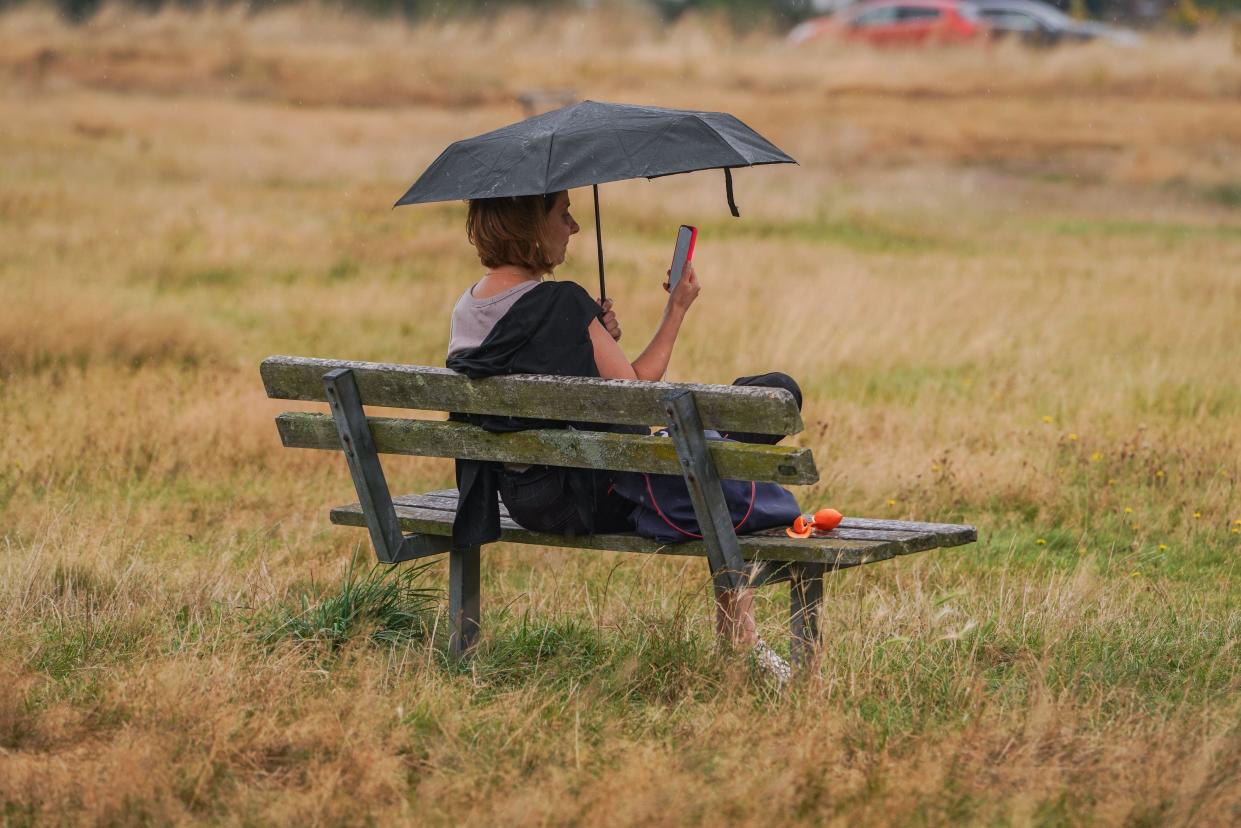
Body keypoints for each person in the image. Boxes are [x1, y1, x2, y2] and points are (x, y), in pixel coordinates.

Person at [445, 190, 799, 670]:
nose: (572, 227)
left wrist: (593, 340)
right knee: (733, 437)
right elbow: (637, 392)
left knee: (723, 437)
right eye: (563, 215)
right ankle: (742, 642)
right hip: (592, 493)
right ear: (529, 225)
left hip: (525, 497)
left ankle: (742, 638)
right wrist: (676, 309)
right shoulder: (561, 302)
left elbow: (546, 384)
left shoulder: (467, 308)